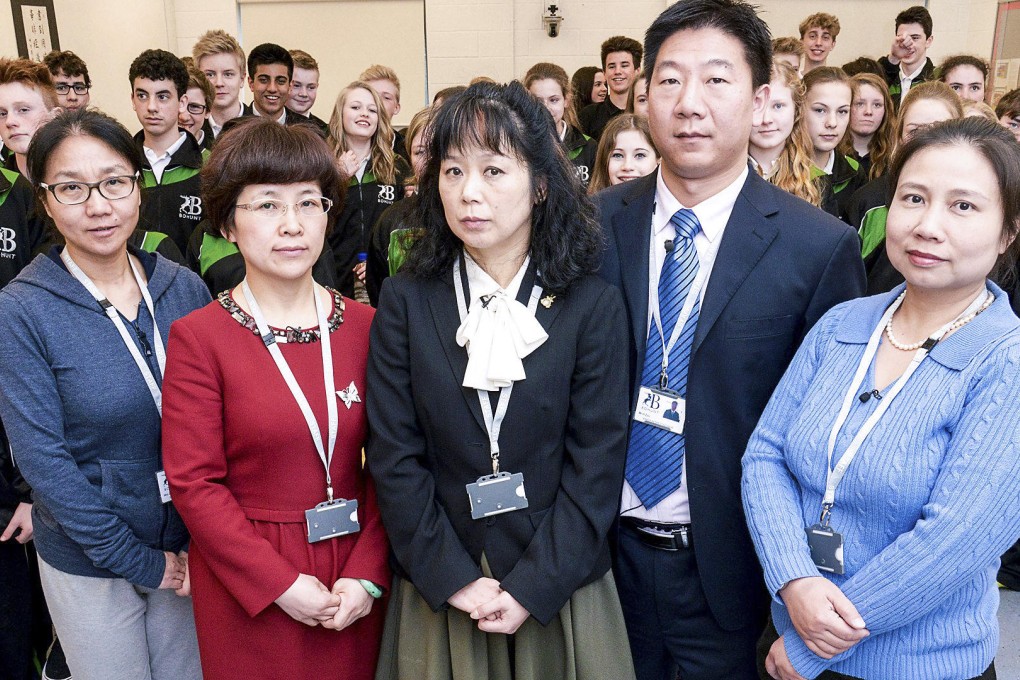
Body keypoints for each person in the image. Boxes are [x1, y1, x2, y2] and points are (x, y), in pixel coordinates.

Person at [595, 1, 865, 677]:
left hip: (733, 574)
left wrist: (799, 590)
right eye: (669, 80)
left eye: (716, 80)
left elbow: (830, 437)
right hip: (598, 566)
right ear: (643, 95)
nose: (689, 104)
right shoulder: (587, 228)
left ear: (761, 98)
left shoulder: (817, 248)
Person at [367, 79, 635, 680]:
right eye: (453, 170)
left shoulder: (589, 304)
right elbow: (394, 455)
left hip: (556, 589)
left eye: (493, 170)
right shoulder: (406, 301)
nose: (469, 193)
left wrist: (534, 586)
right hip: (443, 582)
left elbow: (597, 463)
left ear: (540, 184)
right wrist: (453, 578)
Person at [742, 117, 1020, 680]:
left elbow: (952, 543)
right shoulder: (846, 323)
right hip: (788, 624)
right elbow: (764, 455)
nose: (928, 225)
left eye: (963, 206)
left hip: (915, 666)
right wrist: (794, 580)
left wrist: (812, 647)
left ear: (1008, 232)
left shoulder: (1005, 362)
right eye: (913, 198)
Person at [162, 117, 388, 680]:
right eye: (267, 205)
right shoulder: (200, 337)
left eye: (309, 203)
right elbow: (195, 484)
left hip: (352, 572)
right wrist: (280, 584)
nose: (292, 225)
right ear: (228, 226)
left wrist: (367, 574)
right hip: (253, 580)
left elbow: (396, 462)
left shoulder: (368, 326)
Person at [0, 107, 209, 680]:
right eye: (71, 188)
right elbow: (46, 464)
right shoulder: (21, 310)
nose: (98, 205)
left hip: (191, 549)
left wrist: (203, 541)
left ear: (138, 188)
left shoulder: (182, 286)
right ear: (44, 200)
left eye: (114, 182)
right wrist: (140, 562)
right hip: (91, 560)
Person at [848, 81, 964, 295]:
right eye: (914, 130)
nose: (926, 140)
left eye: (940, 129)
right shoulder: (870, 202)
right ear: (899, 136)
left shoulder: (974, 203)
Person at [327, 81, 410, 299]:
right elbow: (314, 215)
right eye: (355, 107)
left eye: (372, 110)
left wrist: (376, 261)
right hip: (333, 277)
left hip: (383, 279)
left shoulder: (397, 166)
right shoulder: (322, 164)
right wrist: (337, 177)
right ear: (340, 114)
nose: (364, 114)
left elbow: (402, 227)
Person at [129, 49, 207, 256]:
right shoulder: (120, 166)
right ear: (132, 100)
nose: (152, 107)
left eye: (163, 96)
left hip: (193, 284)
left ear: (182, 102)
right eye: (142, 96)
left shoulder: (210, 166)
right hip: (133, 282)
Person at [367, 105, 431, 303]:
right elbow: (378, 287)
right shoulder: (393, 220)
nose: (429, 160)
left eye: (437, 149)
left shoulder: (469, 214)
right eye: (419, 152)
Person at [749, 63, 821, 207]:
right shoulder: (722, 177)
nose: (766, 119)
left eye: (778, 106)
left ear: (796, 110)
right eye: (756, 105)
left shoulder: (814, 181)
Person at [803, 67, 863, 220]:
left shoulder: (854, 172)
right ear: (799, 109)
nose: (832, 123)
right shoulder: (777, 170)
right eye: (820, 110)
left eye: (842, 111)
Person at [524, 62, 597, 187]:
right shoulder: (519, 145)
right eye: (538, 101)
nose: (546, 108)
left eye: (554, 100)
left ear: (566, 100)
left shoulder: (588, 147)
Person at [578, 36, 642, 140]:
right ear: (604, 73)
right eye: (612, 66)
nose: (617, 71)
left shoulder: (648, 112)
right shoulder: (588, 116)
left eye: (624, 65)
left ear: (637, 71)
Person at [839, 73, 896, 181]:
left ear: (886, 110)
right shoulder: (832, 155)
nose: (868, 112)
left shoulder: (894, 157)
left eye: (877, 105)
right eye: (860, 104)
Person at [878, 6, 936, 109]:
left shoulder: (937, 79)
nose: (907, 44)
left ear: (928, 41)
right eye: (902, 38)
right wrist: (894, 57)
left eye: (915, 38)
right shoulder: (883, 75)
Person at [192, 29, 246, 138]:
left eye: (228, 74)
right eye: (210, 75)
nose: (219, 83)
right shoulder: (189, 130)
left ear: (242, 79)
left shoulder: (261, 129)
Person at [588, 113, 659, 193]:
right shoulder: (593, 204)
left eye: (640, 155)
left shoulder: (670, 204)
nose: (627, 166)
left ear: (659, 159)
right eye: (618, 155)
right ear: (604, 161)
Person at [360, 65, 408, 161]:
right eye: (372, 95)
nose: (378, 102)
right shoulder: (341, 147)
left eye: (386, 98)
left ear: (396, 108)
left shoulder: (408, 150)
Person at [289, 49, 329, 134]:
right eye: (296, 85)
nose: (303, 94)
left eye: (311, 87)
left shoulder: (325, 132)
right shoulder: (267, 123)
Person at [178, 66, 214, 151]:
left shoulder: (218, 156)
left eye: (194, 107)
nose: (184, 117)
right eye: (178, 105)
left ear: (208, 111)